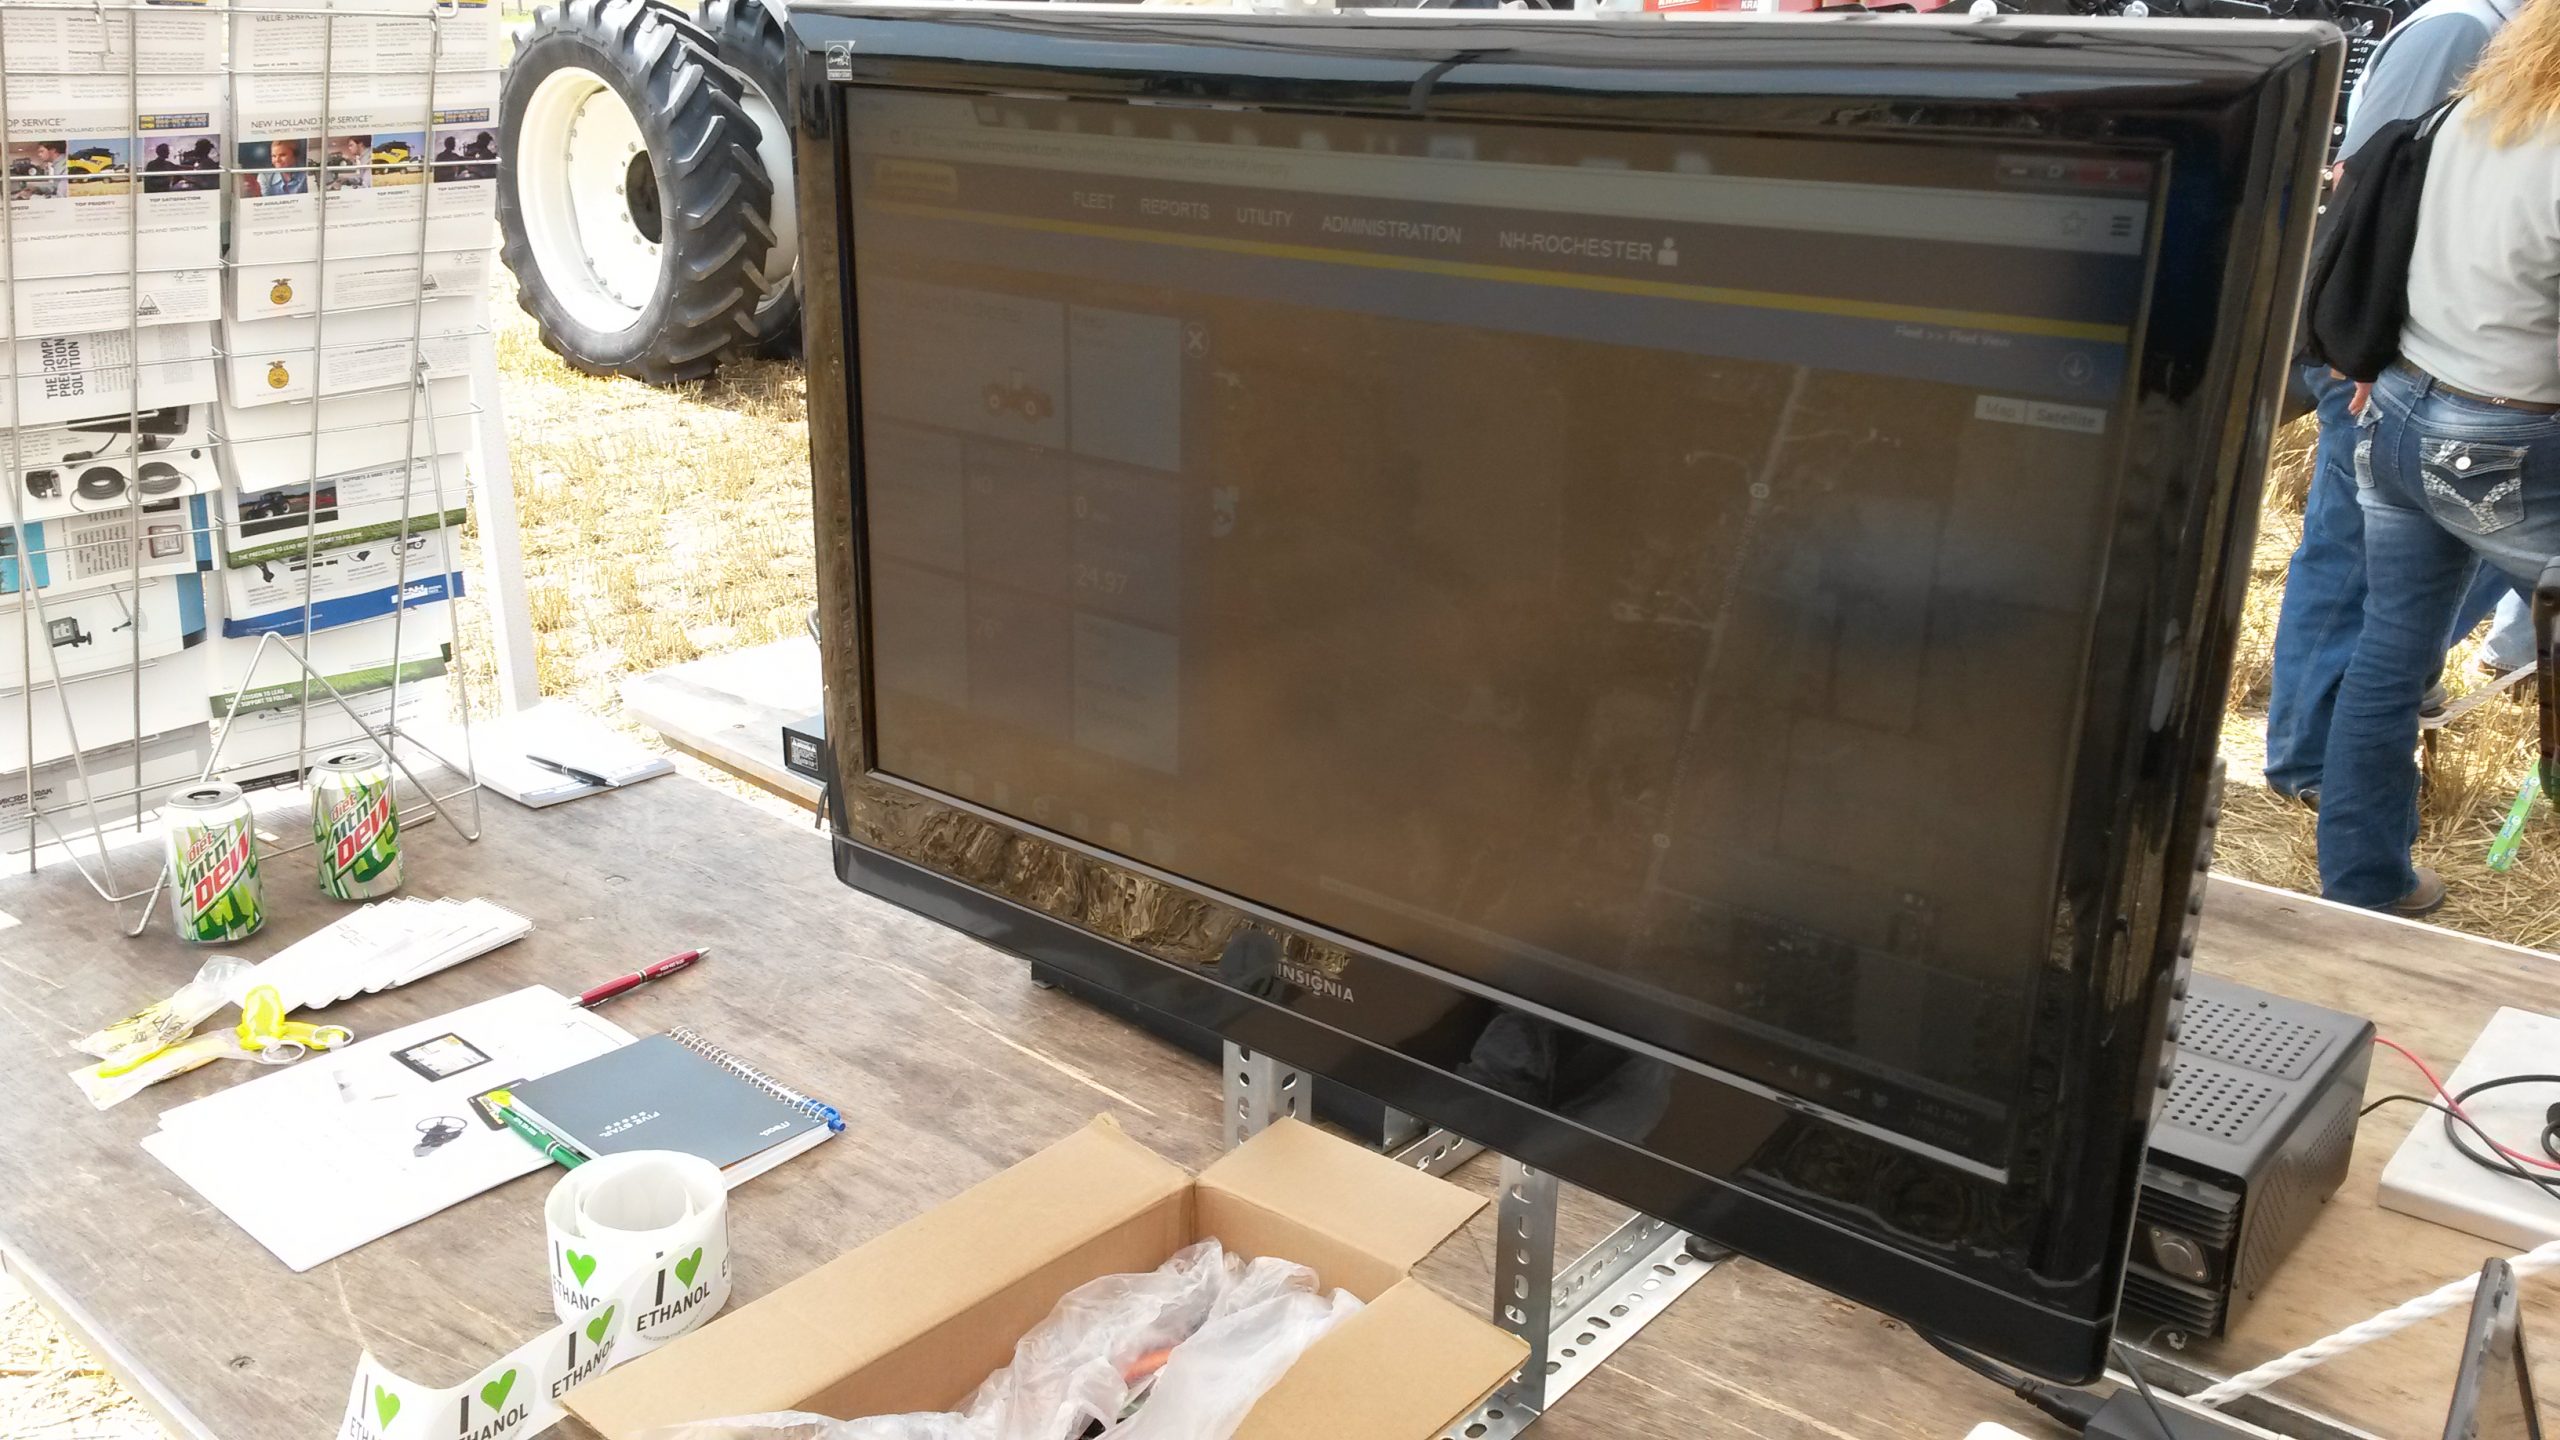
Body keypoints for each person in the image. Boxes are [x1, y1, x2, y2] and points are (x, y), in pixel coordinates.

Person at [2317, 0, 2560, 914]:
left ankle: (2363, 882)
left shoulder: (2470, 109)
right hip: (2502, 431)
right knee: (2391, 652)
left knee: (2388, 652)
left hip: (2400, 406)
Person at [2264, 0, 2530, 810]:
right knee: (2352, 559)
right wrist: (2364, 350)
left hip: (2437, 362)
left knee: (2456, 559)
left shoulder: (2500, 34)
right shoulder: (2463, 29)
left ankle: (2363, 718)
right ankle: (2314, 758)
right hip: (2386, 361)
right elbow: (2367, 193)